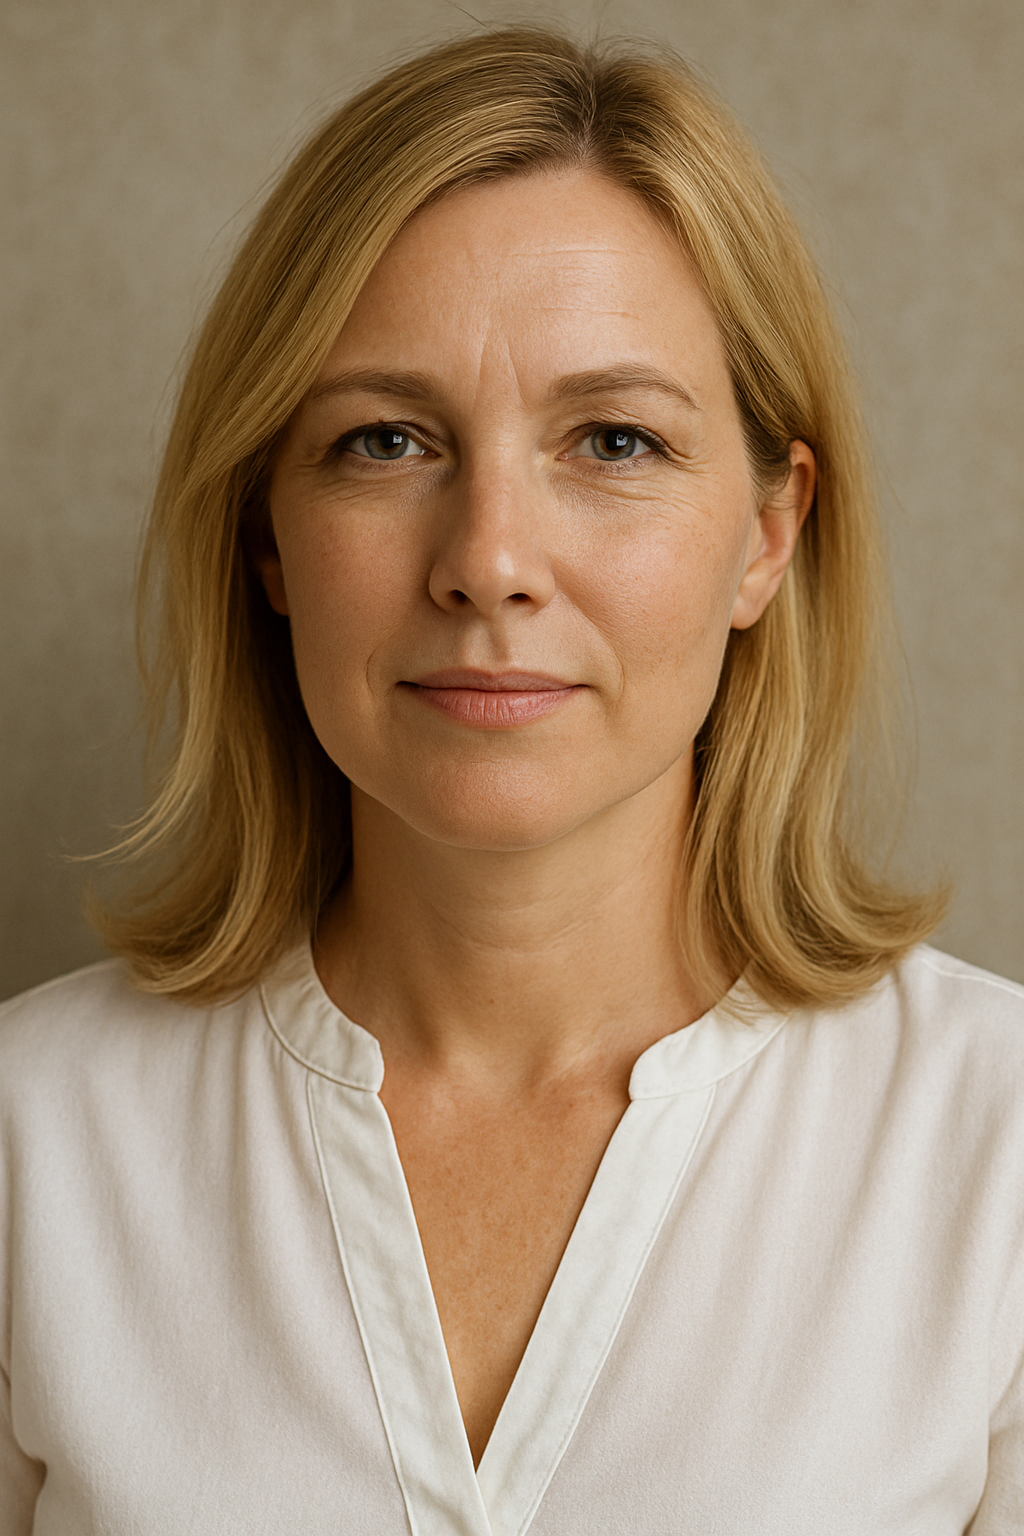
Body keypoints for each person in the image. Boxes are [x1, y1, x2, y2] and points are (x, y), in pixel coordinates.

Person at [1, 26, 1021, 1534]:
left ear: (766, 535)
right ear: (269, 538)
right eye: (385, 440)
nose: (488, 560)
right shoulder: (30, 1145)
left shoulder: (995, 1147)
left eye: (614, 439)